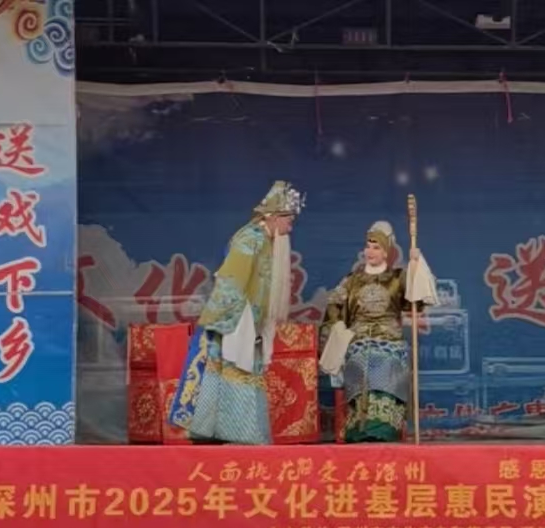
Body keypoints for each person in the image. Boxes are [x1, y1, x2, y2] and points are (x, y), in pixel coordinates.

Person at [168, 180, 304, 444]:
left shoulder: (266, 241)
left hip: (250, 322)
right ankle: (225, 433)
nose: (290, 227)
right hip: (234, 322)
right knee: (228, 370)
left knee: (240, 374)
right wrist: (233, 322)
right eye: (288, 220)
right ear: (273, 217)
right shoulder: (250, 239)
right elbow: (231, 282)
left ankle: (233, 433)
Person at [319, 221, 437, 442]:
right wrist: (337, 325)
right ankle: (359, 427)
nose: (370, 252)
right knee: (360, 359)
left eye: (376, 247)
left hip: (389, 342)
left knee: (384, 361)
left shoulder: (398, 278)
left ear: (386, 252)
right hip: (358, 340)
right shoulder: (352, 280)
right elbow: (334, 304)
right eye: (368, 246)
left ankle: (383, 427)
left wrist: (416, 265)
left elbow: (417, 299)